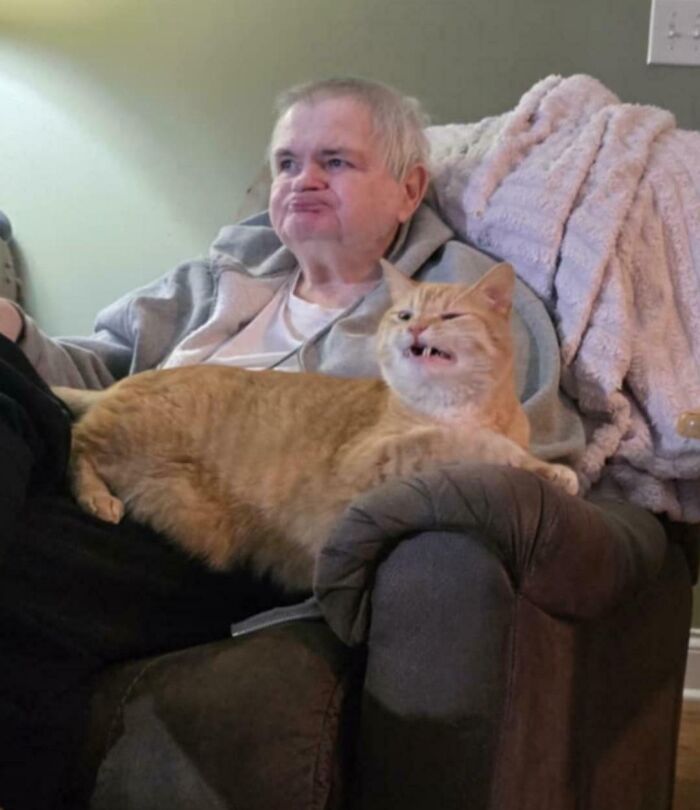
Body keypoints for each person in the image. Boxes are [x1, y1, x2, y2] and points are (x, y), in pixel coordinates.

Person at [0, 78, 583, 809]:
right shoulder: (222, 275)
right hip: (110, 453)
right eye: (285, 163)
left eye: (334, 162)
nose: (302, 180)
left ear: (409, 190)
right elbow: (103, 372)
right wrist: (18, 332)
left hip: (214, 523)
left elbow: (523, 451)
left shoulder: (462, 301)